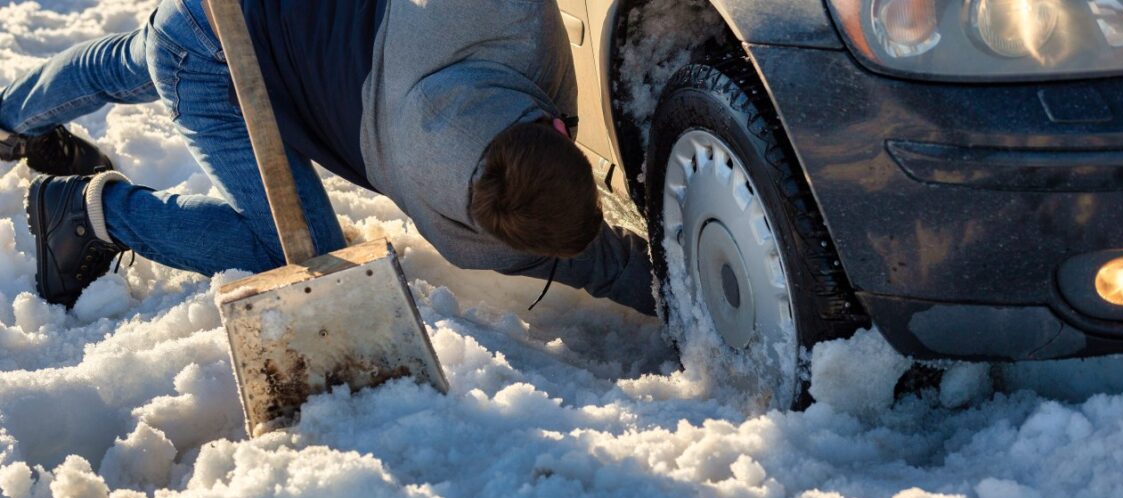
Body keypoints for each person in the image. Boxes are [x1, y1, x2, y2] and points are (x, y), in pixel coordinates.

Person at [1, 0, 656, 315]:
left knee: (143, 53)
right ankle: (91, 213)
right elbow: (609, 267)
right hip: (218, 58)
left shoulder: (510, 19)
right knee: (297, 250)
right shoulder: (479, 244)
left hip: (223, 18)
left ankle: (10, 114)